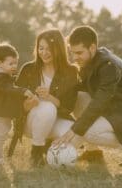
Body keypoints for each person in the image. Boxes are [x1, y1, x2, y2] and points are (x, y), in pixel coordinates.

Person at [54, 26, 122, 167]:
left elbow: (99, 103)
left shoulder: (108, 66)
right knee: (79, 97)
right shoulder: (90, 61)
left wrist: (73, 130)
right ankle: (93, 152)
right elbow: (77, 91)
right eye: (73, 53)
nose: (75, 57)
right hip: (115, 111)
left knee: (89, 133)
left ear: (92, 48)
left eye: (79, 53)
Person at [16, 29, 79, 166]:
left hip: (56, 120)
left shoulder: (70, 72)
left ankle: (49, 147)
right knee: (47, 109)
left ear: (59, 49)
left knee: (76, 136)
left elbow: (69, 107)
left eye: (49, 49)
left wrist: (49, 97)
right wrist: (27, 104)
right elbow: (14, 101)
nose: (44, 53)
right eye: (41, 48)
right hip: (31, 123)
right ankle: (36, 152)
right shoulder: (29, 69)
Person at [0, 42, 38, 164]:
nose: (14, 66)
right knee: (0, 136)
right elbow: (8, 88)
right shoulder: (1, 77)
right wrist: (23, 90)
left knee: (2, 134)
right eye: (11, 63)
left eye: (15, 63)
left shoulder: (2, 75)